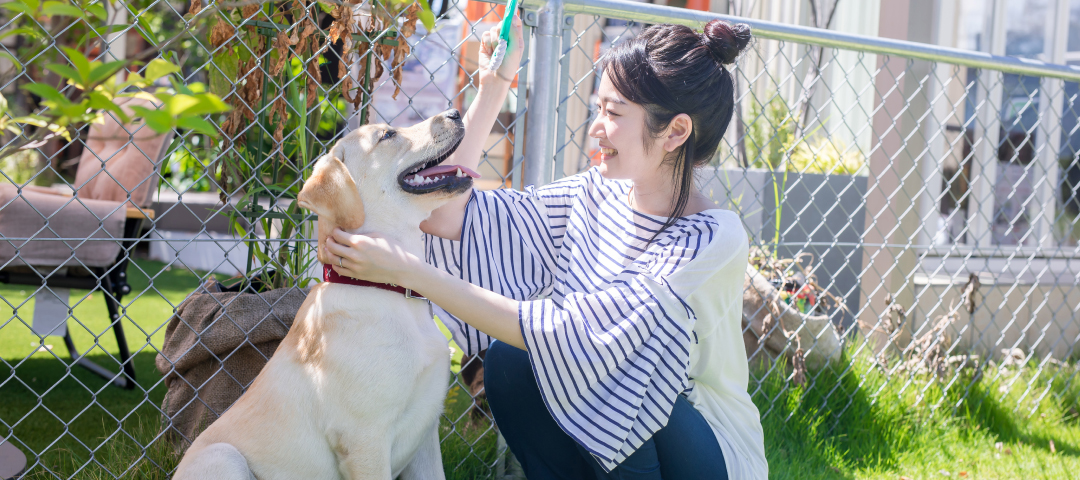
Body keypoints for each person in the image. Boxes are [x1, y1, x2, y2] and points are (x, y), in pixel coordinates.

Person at [326, 15, 767, 480]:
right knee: (510, 361)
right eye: (598, 109)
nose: (595, 128)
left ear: (675, 132)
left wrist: (408, 271)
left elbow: (584, 336)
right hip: (617, 428)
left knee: (614, 368)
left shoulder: (712, 237)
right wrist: (495, 84)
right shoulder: (594, 194)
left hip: (702, 450)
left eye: (614, 114)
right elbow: (449, 215)